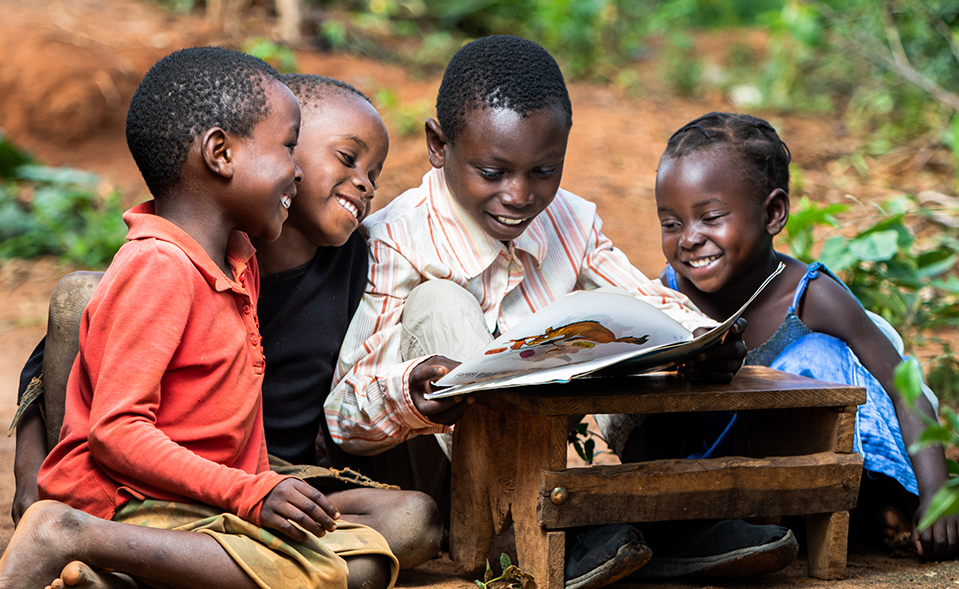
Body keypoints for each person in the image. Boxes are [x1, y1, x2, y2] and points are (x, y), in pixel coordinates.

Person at [325, 35, 795, 588]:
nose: (520, 195)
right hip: (453, 480)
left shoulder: (571, 220)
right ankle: (560, 533)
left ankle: (635, 525)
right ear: (438, 144)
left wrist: (701, 338)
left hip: (572, 454)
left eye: (544, 171)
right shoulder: (394, 241)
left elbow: (646, 298)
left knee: (638, 326)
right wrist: (414, 392)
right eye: (493, 172)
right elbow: (341, 417)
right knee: (441, 299)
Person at [0, 47, 400, 589]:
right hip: (133, 497)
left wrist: (257, 489)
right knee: (349, 574)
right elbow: (115, 432)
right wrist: (250, 494)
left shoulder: (237, 261)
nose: (295, 171)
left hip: (204, 495)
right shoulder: (159, 266)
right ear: (220, 154)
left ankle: (122, 576)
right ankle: (66, 533)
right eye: (287, 149)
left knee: (371, 560)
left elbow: (242, 416)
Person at [652, 111, 958, 560]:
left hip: (812, 469)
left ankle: (877, 506)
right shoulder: (668, 297)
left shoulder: (812, 298)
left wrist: (938, 494)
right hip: (715, 473)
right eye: (671, 223)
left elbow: (904, 386)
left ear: (773, 213)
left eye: (711, 217)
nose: (689, 239)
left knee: (815, 357)